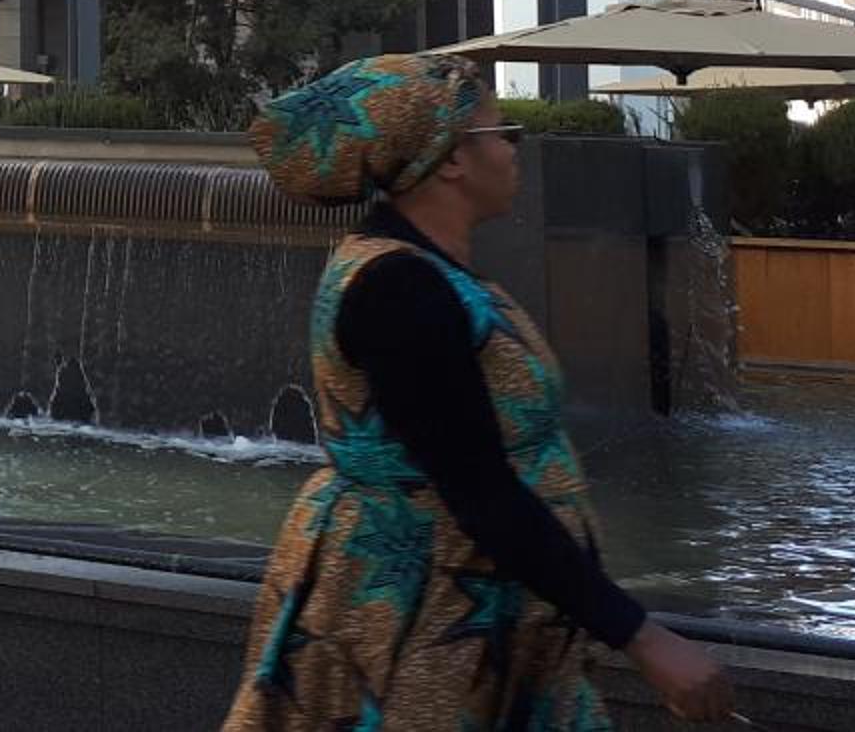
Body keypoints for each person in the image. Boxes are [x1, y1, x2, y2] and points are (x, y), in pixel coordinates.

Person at [222, 53, 734, 729]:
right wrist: (642, 637)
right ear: (452, 159)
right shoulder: (399, 289)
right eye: (501, 133)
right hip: (419, 625)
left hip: (473, 616)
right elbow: (478, 488)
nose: (514, 149)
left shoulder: (427, 272)